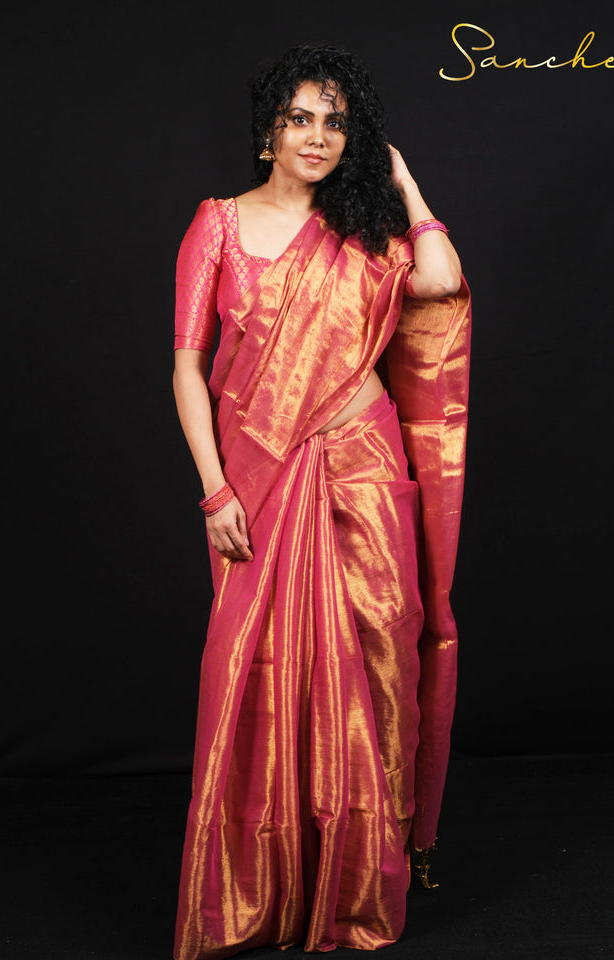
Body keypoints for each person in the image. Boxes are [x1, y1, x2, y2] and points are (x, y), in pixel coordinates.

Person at [171, 42, 471, 960]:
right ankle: (257, 893)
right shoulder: (217, 225)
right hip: (258, 482)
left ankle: (353, 892)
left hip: (366, 472)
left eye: (336, 121)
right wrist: (214, 487)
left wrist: (408, 186)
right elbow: (186, 366)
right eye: (299, 117)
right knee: (254, 672)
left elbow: (442, 283)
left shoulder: (367, 231)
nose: (316, 135)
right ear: (267, 130)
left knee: (376, 670)